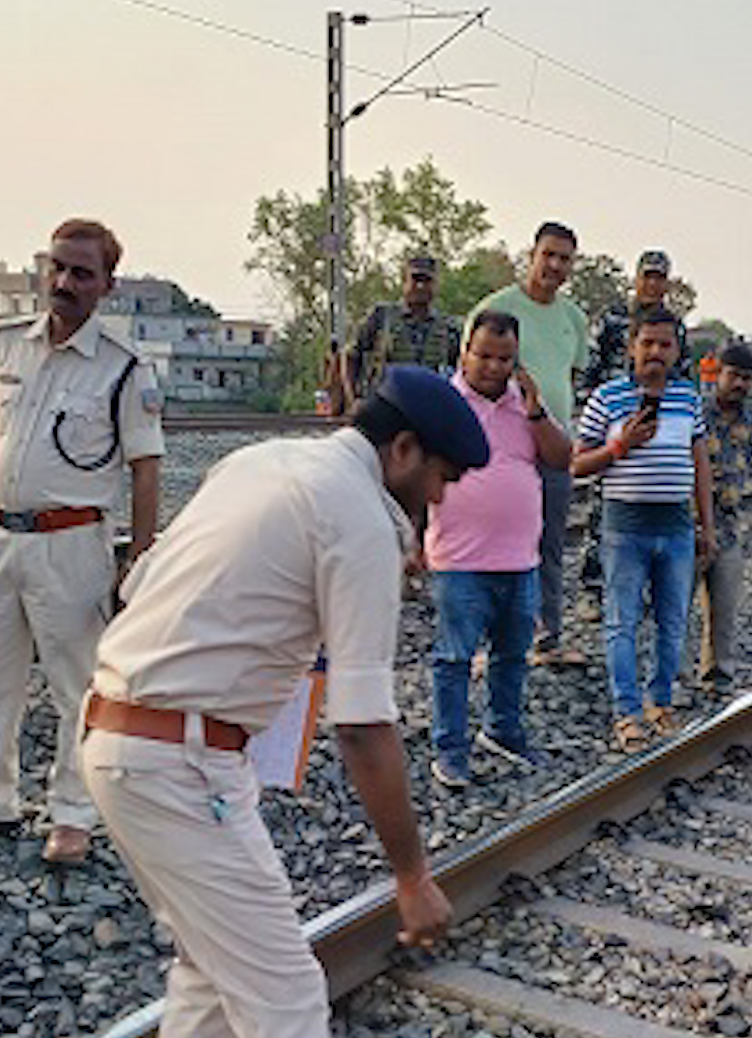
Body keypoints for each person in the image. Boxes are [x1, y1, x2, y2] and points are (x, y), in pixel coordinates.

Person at [82, 365, 478, 1037]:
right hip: (177, 762)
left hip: (126, 737)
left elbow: (137, 588)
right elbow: (360, 726)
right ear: (405, 450)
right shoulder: (358, 519)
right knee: (287, 999)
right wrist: (412, 876)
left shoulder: (261, 461)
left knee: (212, 975)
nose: (438, 498)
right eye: (442, 478)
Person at [0, 219, 165, 866]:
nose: (63, 283)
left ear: (106, 286)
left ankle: (74, 814)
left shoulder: (122, 370)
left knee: (77, 685)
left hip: (71, 543)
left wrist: (139, 563)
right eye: (56, 268)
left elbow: (146, 468)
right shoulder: (8, 347)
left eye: (81, 273)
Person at [424, 312, 571, 787]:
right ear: (465, 351)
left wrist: (534, 410)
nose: (492, 367)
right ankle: (450, 748)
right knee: (454, 659)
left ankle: (503, 731)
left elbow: (561, 458)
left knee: (512, 655)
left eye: (504, 358)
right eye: (483, 355)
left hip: (518, 559)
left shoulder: (524, 405)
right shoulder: (443, 404)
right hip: (459, 560)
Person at [572, 311, 714, 752]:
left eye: (664, 345)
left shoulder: (688, 399)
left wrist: (706, 523)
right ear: (631, 347)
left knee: (673, 621)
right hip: (624, 528)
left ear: (676, 351)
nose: (655, 353)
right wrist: (620, 447)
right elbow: (576, 465)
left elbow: (700, 463)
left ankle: (661, 702)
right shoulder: (607, 399)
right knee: (622, 621)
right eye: (647, 344)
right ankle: (627, 712)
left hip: (675, 527)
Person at [470, 223, 591, 668]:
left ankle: (547, 637)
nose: (555, 266)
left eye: (564, 259)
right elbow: (472, 377)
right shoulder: (497, 308)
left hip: (553, 446)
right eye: (549, 255)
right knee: (493, 540)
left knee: (550, 543)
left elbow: (572, 378)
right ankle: (489, 642)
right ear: (532, 255)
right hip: (502, 448)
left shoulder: (574, 319)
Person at [576, 249, 683, 624]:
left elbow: (680, 378)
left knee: (651, 509)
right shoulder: (613, 320)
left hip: (656, 425)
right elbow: (588, 371)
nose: (653, 284)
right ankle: (592, 591)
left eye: (659, 277)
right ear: (636, 279)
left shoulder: (674, 326)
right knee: (602, 507)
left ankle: (645, 592)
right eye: (647, 276)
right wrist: (596, 411)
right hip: (612, 421)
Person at [696, 341, 752, 687]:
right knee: (675, 609)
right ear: (717, 374)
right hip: (689, 525)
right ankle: (671, 680)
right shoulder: (695, 415)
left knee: (724, 607)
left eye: (746, 379)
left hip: (729, 527)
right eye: (733, 375)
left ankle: (718, 674)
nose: (739, 384)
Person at [344, 255, 460, 408]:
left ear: (435, 285)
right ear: (405, 282)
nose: (420, 286)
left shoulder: (448, 327)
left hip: (429, 407)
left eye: (427, 281)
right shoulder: (382, 316)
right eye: (415, 279)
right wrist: (353, 400)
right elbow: (351, 356)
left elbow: (461, 370)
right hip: (385, 405)